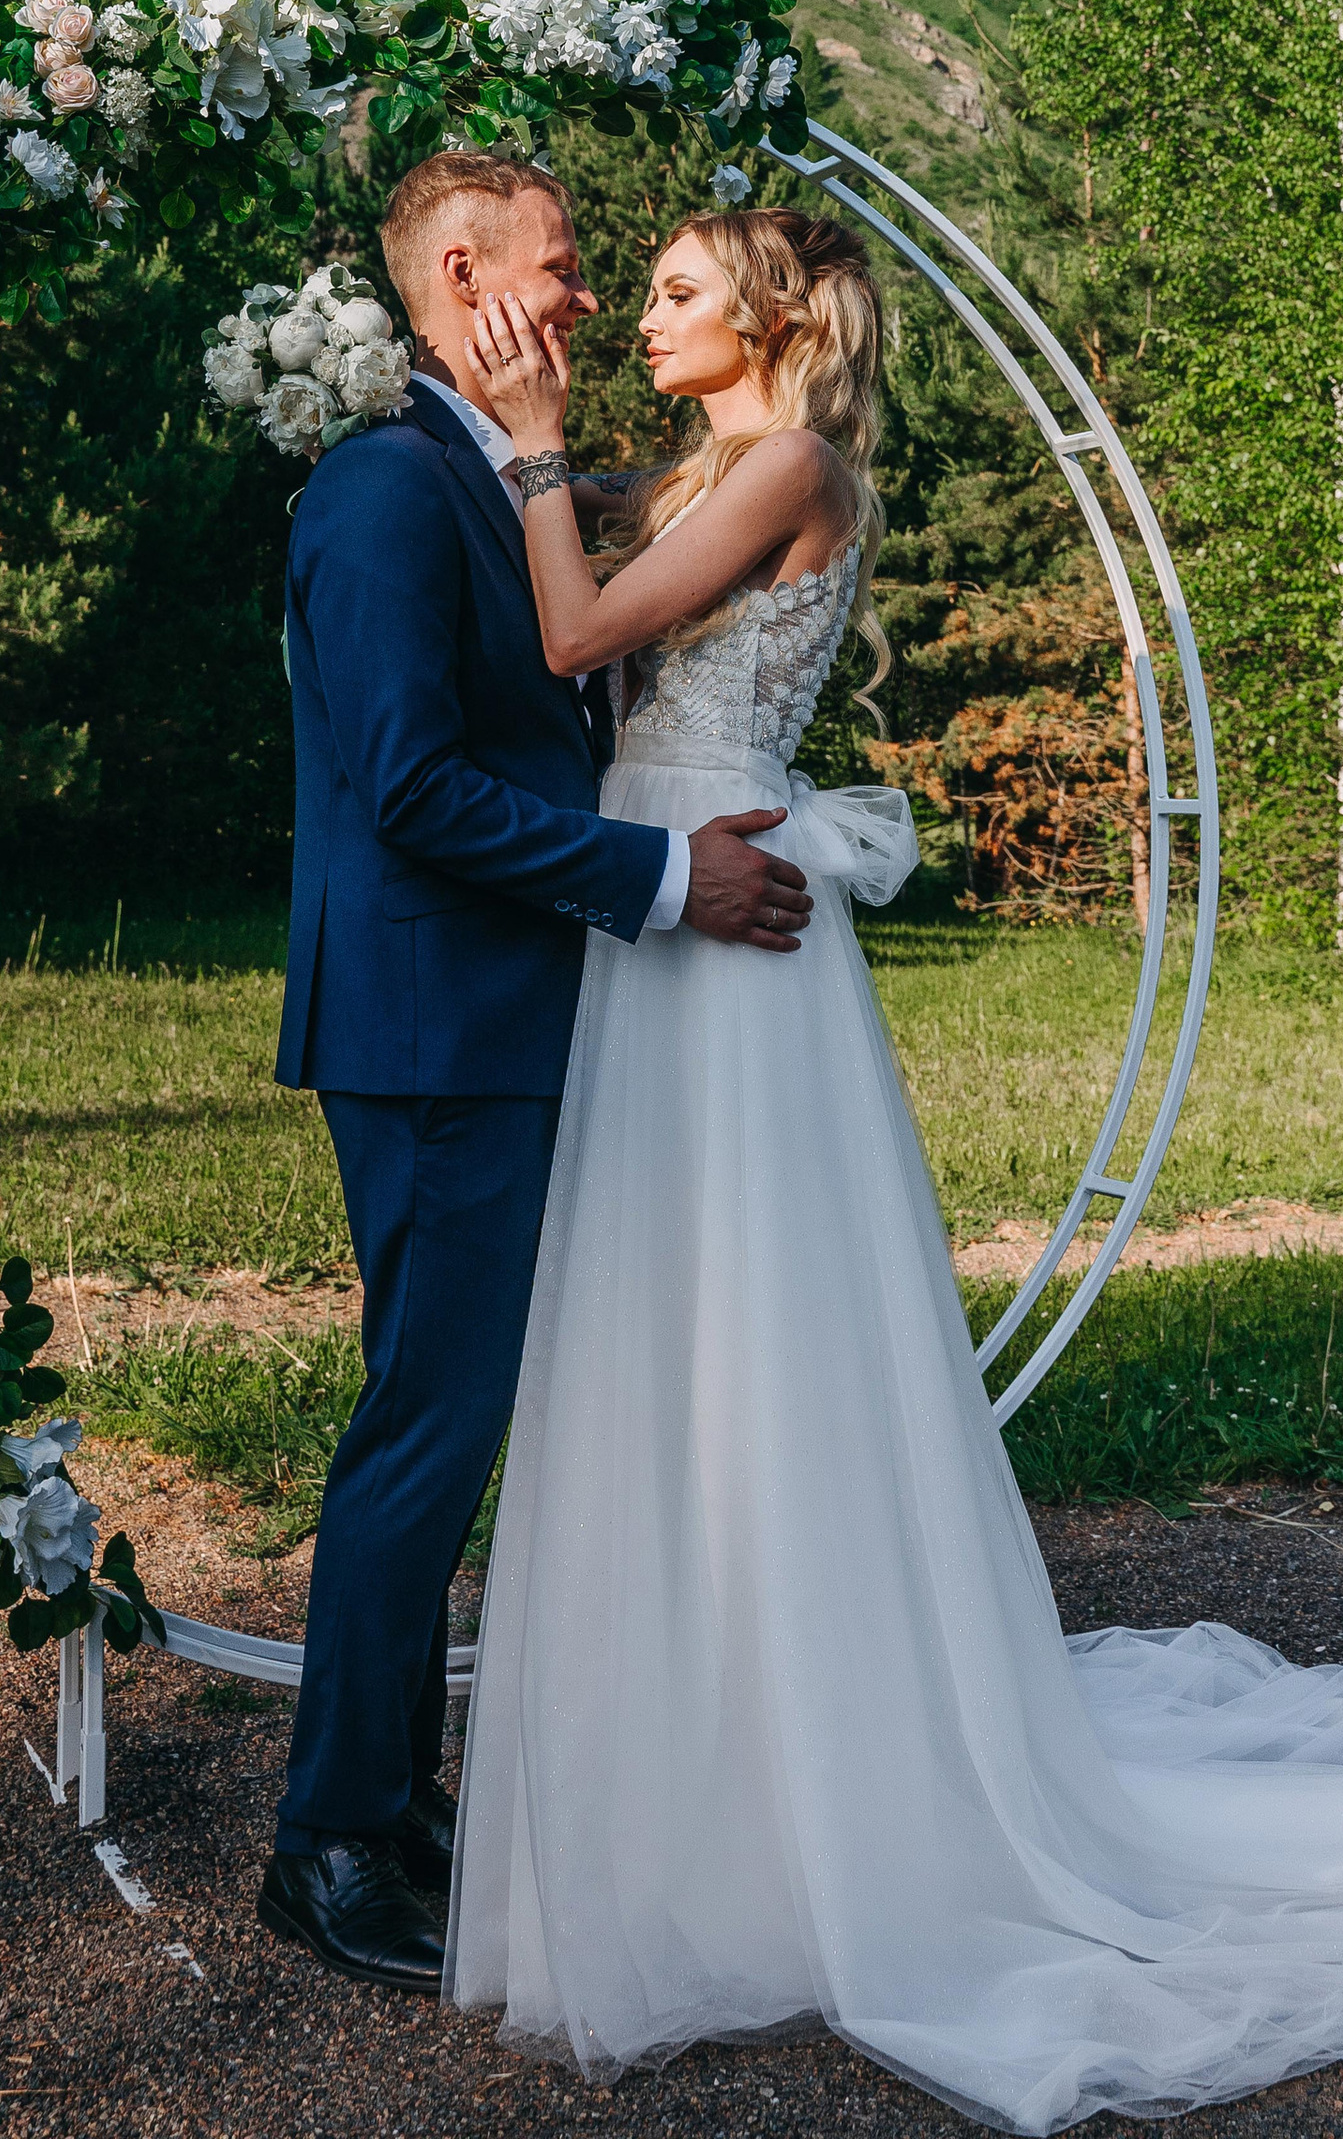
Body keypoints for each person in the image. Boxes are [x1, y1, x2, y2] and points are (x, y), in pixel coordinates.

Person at [448, 201, 1343, 2133]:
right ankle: (711, 1753)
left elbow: (576, 630)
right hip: (674, 908)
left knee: (752, 1335)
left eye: (682, 292)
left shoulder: (789, 463)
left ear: (773, 316)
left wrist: (529, 458)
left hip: (718, 922)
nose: (649, 320)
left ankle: (803, 1778)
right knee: (668, 1342)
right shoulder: (726, 460)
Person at [260, 153, 814, 1995]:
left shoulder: (495, 481)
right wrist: (664, 877)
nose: (579, 301)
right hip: (434, 1030)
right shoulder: (380, 489)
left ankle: (397, 1798)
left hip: (505, 1019)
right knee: (427, 1428)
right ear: (468, 275)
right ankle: (328, 1843)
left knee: (452, 1416)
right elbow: (411, 788)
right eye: (567, 270)